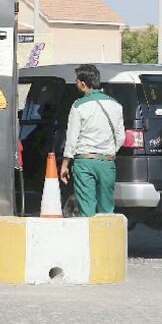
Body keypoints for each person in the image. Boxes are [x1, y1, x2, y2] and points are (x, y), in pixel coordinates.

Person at [60, 64, 125, 217]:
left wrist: (65, 165)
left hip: (85, 162)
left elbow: (71, 139)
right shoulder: (116, 105)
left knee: (86, 209)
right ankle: (105, 239)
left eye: (76, 81)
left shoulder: (78, 106)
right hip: (107, 162)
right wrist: (108, 151)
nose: (76, 84)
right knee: (107, 210)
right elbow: (121, 137)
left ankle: (88, 239)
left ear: (83, 84)